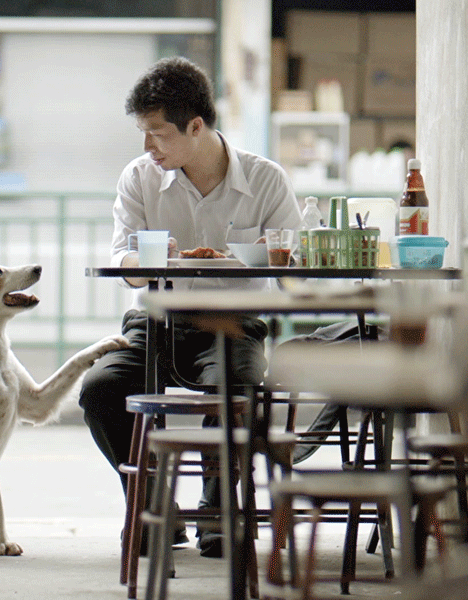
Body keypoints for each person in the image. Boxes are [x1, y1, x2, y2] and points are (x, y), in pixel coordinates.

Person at [78, 56, 301, 558]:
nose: (146, 146)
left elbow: (290, 261)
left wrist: (244, 259)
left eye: (157, 134)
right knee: (100, 390)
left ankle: (219, 512)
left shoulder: (265, 181)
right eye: (143, 133)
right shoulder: (138, 178)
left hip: (233, 325)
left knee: (234, 389)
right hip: (153, 322)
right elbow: (125, 263)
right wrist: (164, 259)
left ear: (195, 126)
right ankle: (156, 507)